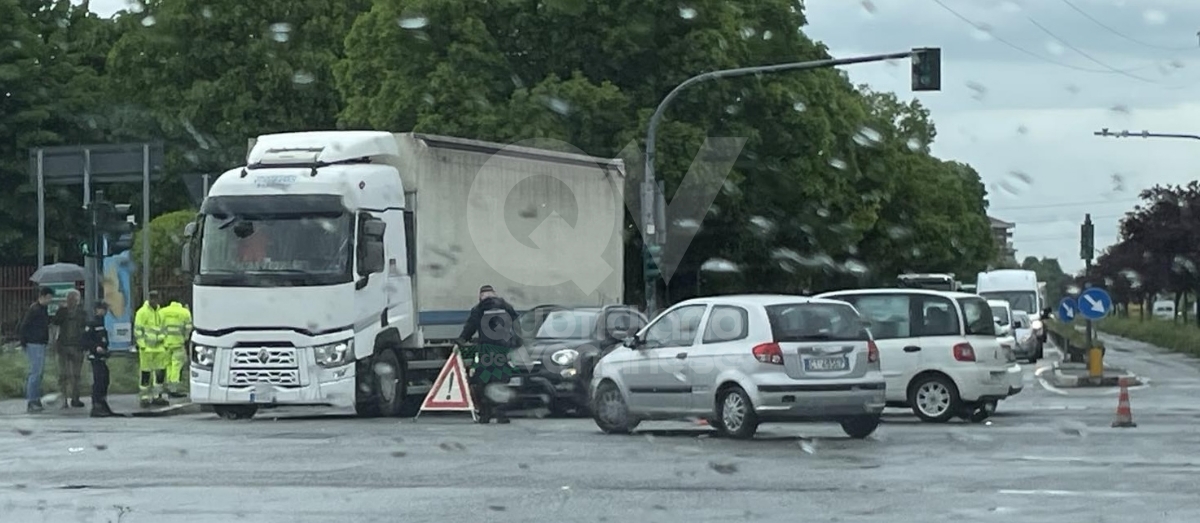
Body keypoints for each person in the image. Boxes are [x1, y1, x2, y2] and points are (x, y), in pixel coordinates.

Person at [455, 285, 521, 424]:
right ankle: (502, 414)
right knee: (501, 380)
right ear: (494, 294)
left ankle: (485, 414)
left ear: (481, 296)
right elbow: (517, 326)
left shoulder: (478, 309)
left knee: (483, 381)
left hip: (485, 350)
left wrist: (461, 341)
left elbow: (470, 327)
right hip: (503, 350)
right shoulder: (506, 307)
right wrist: (517, 343)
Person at [18, 287, 55, 413]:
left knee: (39, 372)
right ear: (43, 296)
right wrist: (24, 342)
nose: (50, 300)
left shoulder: (43, 309)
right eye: (49, 297)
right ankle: (32, 400)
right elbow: (24, 326)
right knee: (35, 372)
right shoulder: (34, 309)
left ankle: (36, 398)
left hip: (40, 343)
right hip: (34, 343)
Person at [51, 289, 87, 409]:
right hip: (73, 347)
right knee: (73, 375)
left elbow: (55, 325)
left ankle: (66, 399)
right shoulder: (78, 312)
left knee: (66, 375)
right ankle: (73, 399)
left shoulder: (64, 311)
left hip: (67, 346)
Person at [134, 291, 168, 407]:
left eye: (157, 299)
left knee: (160, 374)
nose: (155, 301)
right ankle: (144, 397)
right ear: (149, 299)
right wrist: (142, 345)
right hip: (147, 349)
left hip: (160, 349)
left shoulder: (161, 313)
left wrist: (165, 344)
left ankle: (157, 396)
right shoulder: (142, 313)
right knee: (146, 374)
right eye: (153, 299)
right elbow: (138, 331)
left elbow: (165, 329)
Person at [84, 301, 116, 417]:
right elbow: (86, 340)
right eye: (101, 309)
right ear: (96, 310)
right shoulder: (92, 323)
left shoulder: (102, 323)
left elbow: (103, 339)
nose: (104, 312)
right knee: (98, 381)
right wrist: (95, 348)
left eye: (105, 310)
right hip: (95, 357)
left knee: (105, 379)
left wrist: (106, 351)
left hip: (102, 357)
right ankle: (96, 405)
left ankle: (102, 402)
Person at [158, 295, 192, 398]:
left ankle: (168, 385)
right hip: (178, 343)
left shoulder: (162, 312)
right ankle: (173, 388)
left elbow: (159, 326)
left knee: (168, 364)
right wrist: (185, 338)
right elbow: (188, 328)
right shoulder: (185, 312)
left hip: (165, 343)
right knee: (177, 365)